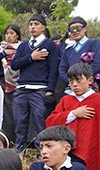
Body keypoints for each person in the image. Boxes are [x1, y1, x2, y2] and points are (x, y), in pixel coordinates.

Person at [46, 62, 100, 170]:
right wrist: (73, 114)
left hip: (94, 152)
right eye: (71, 81)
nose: (74, 85)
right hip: (68, 152)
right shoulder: (66, 100)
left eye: (78, 80)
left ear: (90, 80)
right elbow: (51, 122)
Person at [12, 14, 59, 151]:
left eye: (36, 24)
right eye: (31, 24)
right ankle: (19, 151)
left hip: (40, 88)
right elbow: (14, 64)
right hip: (22, 88)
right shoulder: (23, 45)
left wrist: (50, 90)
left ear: (43, 27)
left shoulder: (49, 45)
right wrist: (31, 58)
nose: (33, 27)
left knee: (40, 121)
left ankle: (42, 152)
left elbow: (53, 69)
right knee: (20, 121)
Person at [59, 17, 100, 90]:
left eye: (78, 28)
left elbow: (98, 64)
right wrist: (72, 81)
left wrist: (81, 80)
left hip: (90, 87)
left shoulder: (93, 43)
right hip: (71, 88)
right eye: (71, 29)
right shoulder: (67, 50)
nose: (75, 31)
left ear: (85, 28)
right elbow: (62, 70)